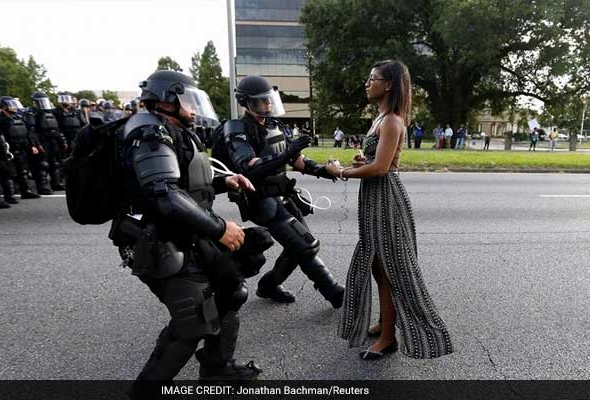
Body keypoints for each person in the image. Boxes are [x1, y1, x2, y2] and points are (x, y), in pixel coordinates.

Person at [111, 70, 263, 386]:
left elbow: (184, 186)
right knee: (194, 321)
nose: (193, 109)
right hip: (160, 240)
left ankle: (217, 366)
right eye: (188, 101)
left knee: (231, 291)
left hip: (187, 234)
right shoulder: (150, 133)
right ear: (168, 99)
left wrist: (223, 182)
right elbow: (166, 195)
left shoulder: (172, 129)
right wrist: (221, 229)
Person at [325, 59, 452, 361]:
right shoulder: (380, 119)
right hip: (374, 198)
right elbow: (375, 161)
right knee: (377, 266)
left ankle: (388, 338)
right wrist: (360, 161)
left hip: (386, 200)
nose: (367, 83)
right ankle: (385, 322)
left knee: (390, 269)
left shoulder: (393, 120)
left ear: (389, 84)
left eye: (373, 78)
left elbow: (382, 168)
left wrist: (340, 172)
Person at [223, 75, 344, 307]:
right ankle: (335, 293)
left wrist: (324, 171)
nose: (267, 105)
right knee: (305, 245)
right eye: (261, 101)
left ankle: (268, 286)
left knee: (297, 246)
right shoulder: (237, 129)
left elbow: (298, 161)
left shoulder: (275, 126)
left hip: (284, 195)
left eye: (269, 100)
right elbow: (248, 167)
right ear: (246, 102)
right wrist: (287, 154)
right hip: (261, 200)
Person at [0, 96, 41, 200]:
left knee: (23, 171)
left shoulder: (18, 117)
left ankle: (26, 191)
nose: (15, 107)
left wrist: (32, 145)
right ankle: (9, 195)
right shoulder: (0, 119)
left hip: (21, 148)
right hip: (9, 149)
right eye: (12, 105)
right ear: (5, 106)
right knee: (8, 173)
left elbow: (28, 133)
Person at [25, 91, 68, 192]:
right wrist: (36, 144)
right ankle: (43, 186)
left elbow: (57, 129)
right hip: (42, 140)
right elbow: (31, 131)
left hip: (53, 141)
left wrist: (62, 141)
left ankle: (56, 183)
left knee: (55, 163)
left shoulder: (51, 113)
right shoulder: (32, 113)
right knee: (42, 164)